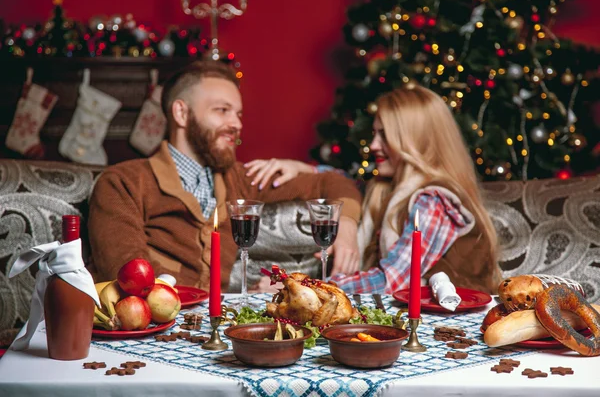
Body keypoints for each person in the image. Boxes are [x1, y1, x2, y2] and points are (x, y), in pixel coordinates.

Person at [88, 60, 362, 291]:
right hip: (157, 328)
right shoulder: (124, 182)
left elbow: (336, 183)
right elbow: (129, 277)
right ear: (181, 113)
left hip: (217, 329)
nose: (237, 124)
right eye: (222, 111)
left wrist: (347, 225)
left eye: (239, 114)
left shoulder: (241, 178)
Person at [246, 84, 503, 294]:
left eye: (384, 135)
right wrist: (302, 168)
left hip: (454, 326)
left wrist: (299, 287)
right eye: (374, 134)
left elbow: (392, 280)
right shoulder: (388, 191)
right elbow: (345, 181)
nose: (373, 145)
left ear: (414, 141)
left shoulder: (433, 201)